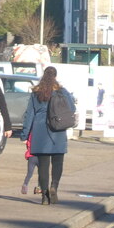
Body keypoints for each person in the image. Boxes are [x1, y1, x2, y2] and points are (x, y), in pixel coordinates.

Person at [20, 66, 75, 205]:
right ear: (55, 76)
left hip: (40, 132)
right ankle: (54, 186)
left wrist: (25, 134)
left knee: (43, 165)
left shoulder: (36, 92)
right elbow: (72, 108)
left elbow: (29, 115)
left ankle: (44, 196)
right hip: (58, 129)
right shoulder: (62, 91)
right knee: (58, 162)